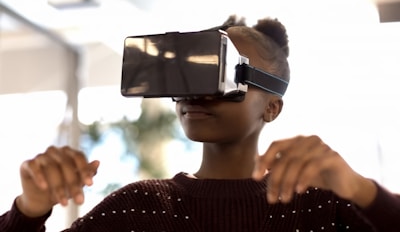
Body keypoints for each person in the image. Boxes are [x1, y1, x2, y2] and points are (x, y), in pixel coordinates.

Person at [1, 15, 400, 232]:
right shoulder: (138, 207)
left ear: (272, 107)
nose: (196, 93)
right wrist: (30, 210)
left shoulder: (322, 207)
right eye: (191, 74)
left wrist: (360, 190)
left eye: (222, 74)